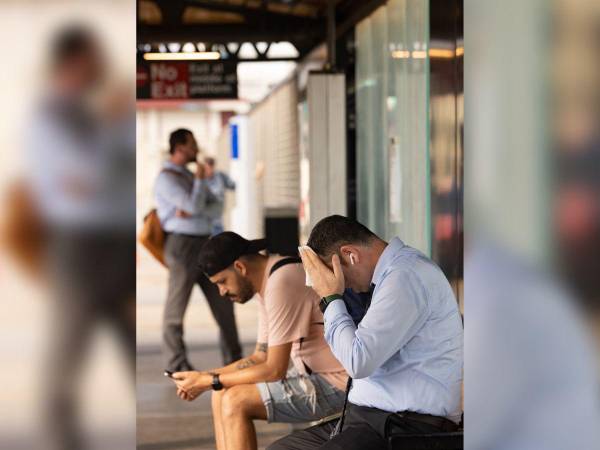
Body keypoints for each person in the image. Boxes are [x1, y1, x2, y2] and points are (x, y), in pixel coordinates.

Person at [25, 25, 136, 450]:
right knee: (65, 359)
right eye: (94, 58)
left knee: (130, 350)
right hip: (80, 248)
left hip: (112, 245)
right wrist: (111, 128)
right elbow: (84, 177)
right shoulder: (50, 116)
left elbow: (111, 174)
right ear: (72, 62)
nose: (102, 66)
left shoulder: (89, 114)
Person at [270, 215, 464, 450]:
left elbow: (358, 361)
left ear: (351, 255)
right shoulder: (387, 277)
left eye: (338, 275)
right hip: (369, 419)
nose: (344, 286)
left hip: (405, 425)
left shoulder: (405, 276)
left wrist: (331, 298)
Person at [171, 232, 348, 450]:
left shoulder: (281, 281)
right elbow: (259, 357)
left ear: (240, 267)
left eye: (222, 282)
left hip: (340, 381)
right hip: (315, 374)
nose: (222, 292)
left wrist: (209, 381)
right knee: (220, 395)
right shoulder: (268, 281)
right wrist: (204, 377)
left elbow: (274, 369)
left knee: (236, 401)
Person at [154, 129, 242, 372]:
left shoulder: (189, 177)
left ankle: (234, 362)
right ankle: (177, 366)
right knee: (175, 310)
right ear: (180, 147)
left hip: (205, 241)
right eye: (193, 144)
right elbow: (194, 204)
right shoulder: (167, 178)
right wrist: (198, 192)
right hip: (182, 246)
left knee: (225, 299)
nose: (197, 148)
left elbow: (214, 208)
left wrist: (195, 207)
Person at [204, 156, 236, 235]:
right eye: (205, 168)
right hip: (205, 219)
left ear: (213, 167)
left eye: (209, 168)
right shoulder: (201, 180)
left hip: (217, 219)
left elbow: (233, 185)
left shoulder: (220, 176)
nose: (208, 171)